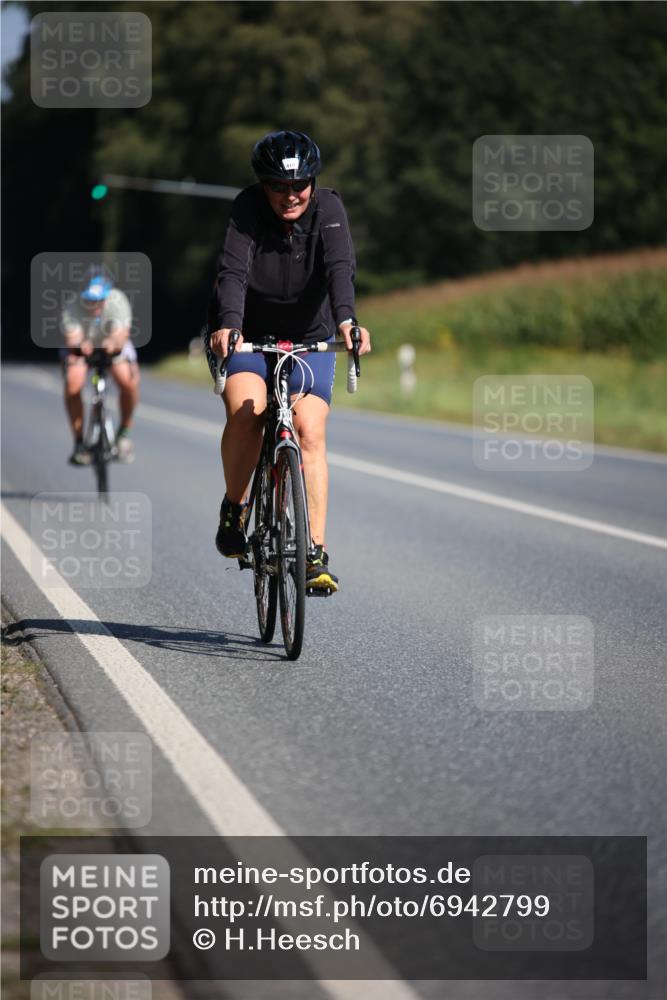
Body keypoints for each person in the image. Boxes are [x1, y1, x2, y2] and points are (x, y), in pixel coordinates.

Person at [207, 129, 371, 593]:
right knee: (249, 414)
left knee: (309, 431)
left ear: (313, 183)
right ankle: (235, 507)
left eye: (299, 185)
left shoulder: (330, 209)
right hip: (246, 336)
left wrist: (347, 322)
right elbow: (232, 271)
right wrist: (229, 325)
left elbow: (340, 269)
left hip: (310, 336)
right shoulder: (246, 209)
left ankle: (313, 551)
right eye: (278, 186)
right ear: (263, 185)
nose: (290, 195)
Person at [60, 270, 139, 465]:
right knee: (72, 383)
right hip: (83, 346)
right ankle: (79, 442)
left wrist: (111, 343)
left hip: (111, 344)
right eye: (89, 300)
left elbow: (121, 336)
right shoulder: (72, 306)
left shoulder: (117, 301)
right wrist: (81, 345)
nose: (94, 305)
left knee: (128, 381)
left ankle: (124, 433)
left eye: (99, 300)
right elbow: (72, 339)